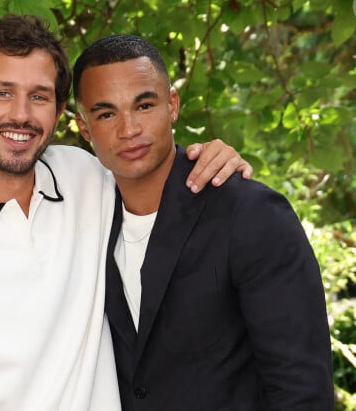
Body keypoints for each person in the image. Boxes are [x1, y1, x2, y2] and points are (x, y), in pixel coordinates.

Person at [0, 15, 251, 411]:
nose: (22, 115)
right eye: (3, 93)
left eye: (40, 96)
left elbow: (148, 161)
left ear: (61, 110)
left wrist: (215, 156)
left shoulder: (84, 177)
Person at [71, 34, 334, 410]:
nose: (128, 129)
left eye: (144, 105)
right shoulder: (85, 220)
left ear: (172, 105)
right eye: (107, 113)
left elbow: (301, 389)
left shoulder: (250, 213)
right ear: (85, 128)